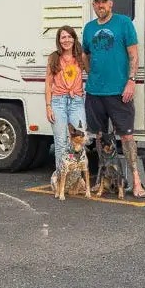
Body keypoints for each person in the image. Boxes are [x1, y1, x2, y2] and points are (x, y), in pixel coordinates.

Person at [82, 0, 145, 198]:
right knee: (100, 137)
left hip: (119, 92)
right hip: (94, 92)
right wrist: (91, 74)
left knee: (127, 136)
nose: (100, 6)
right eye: (96, 3)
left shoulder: (123, 23)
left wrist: (131, 81)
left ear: (111, 4)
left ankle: (136, 181)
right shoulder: (89, 28)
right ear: (93, 6)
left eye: (103, 2)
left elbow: (133, 55)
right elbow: (85, 54)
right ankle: (104, 178)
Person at [45, 25, 88, 177]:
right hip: (58, 102)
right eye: (63, 37)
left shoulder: (80, 57)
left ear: (74, 39)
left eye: (69, 37)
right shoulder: (53, 57)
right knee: (61, 142)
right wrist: (49, 106)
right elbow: (48, 84)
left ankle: (76, 179)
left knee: (79, 139)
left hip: (76, 101)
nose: (66, 40)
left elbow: (91, 73)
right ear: (59, 40)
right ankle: (61, 179)